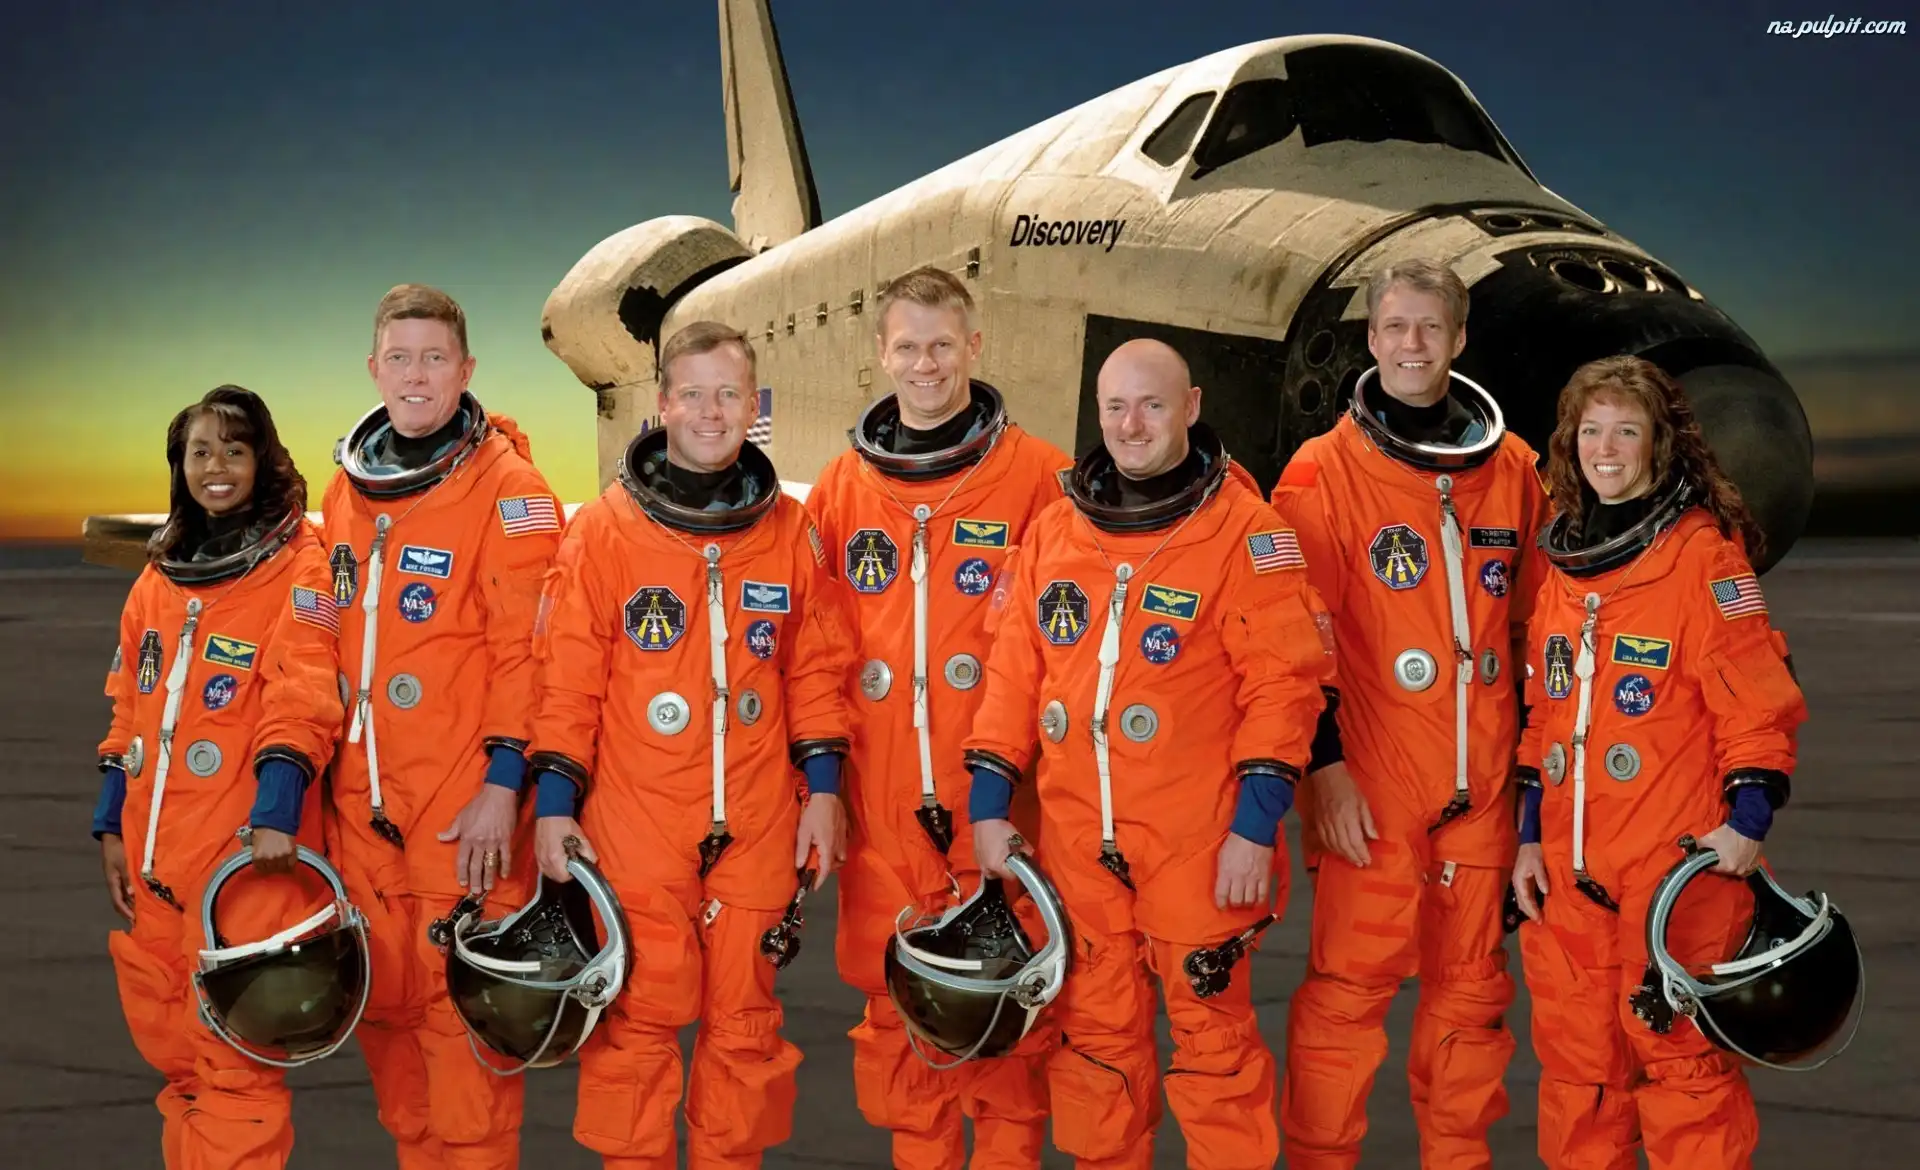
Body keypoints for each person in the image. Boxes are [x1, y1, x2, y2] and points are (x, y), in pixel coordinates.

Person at [965, 338, 1331, 1169]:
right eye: (1116, 407)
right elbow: (1012, 676)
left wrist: (1255, 829)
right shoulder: (1056, 530)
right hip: (1076, 847)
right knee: (1095, 1048)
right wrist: (988, 807)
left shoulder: (1246, 533)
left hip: (1199, 846)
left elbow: (1284, 690)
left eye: (1153, 405)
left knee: (1214, 1050)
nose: (1132, 426)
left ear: (1192, 407)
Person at [526, 319, 855, 1168]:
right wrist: (555, 807)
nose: (712, 412)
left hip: (756, 821)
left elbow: (816, 673)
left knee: (744, 1033)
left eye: (729, 395)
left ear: (753, 405)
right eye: (695, 395)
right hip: (636, 824)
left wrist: (823, 794)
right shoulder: (604, 531)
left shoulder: (790, 531)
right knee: (635, 1030)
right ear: (664, 404)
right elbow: (567, 685)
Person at [1268, 258, 1551, 1169]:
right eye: (1395, 327)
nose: (1413, 344)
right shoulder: (1321, 475)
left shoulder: (1513, 471)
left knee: (1471, 1002)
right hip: (1372, 787)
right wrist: (1324, 772)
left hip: (1482, 792)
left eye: (1431, 327)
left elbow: (1540, 630)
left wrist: (1534, 784)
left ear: (1458, 338)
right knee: (1347, 997)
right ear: (1372, 339)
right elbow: (1292, 644)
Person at [1508, 355, 1807, 1169]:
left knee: (1685, 1072)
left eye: (1626, 432)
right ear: (1570, 443)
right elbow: (1545, 715)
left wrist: (1746, 825)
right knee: (1580, 1079)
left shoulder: (1702, 558)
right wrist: (1528, 839)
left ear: (1659, 444)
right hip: (1570, 874)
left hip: (1675, 869)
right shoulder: (1564, 568)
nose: (1605, 450)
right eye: (1591, 431)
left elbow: (1758, 703)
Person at [803, 265, 1069, 1169]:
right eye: (909, 347)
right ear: (881, 354)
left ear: (975, 347)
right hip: (882, 809)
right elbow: (813, 654)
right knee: (898, 1023)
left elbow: (1068, 645)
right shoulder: (842, 490)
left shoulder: (1039, 477)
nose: (926, 365)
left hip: (997, 802)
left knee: (1008, 1026)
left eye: (943, 345)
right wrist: (820, 787)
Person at [321, 284, 564, 1169]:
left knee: (462, 1034)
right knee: (389, 1025)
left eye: (434, 359)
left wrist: (504, 785)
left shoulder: (510, 490)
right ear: (373, 368)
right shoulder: (345, 492)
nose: (416, 376)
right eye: (400, 358)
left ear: (466, 371)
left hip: (462, 812)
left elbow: (530, 655)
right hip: (363, 813)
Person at [93, 385, 346, 1169]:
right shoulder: (159, 579)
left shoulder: (299, 567)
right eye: (200, 452)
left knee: (237, 1069)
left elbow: (304, 696)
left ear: (262, 461)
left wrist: (276, 814)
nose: (216, 468)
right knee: (180, 1065)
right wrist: (109, 823)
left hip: (244, 860)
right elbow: (129, 709)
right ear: (180, 465)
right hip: (157, 858)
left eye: (234, 451)